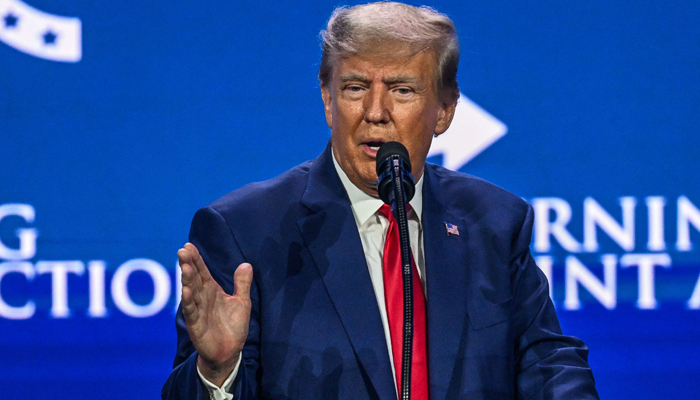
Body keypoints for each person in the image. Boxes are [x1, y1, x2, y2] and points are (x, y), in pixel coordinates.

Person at [162, 2, 599, 399]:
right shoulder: (247, 232)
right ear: (328, 100)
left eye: (402, 89)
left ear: (445, 110)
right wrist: (218, 368)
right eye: (354, 88)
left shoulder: (495, 223)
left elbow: (546, 362)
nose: (375, 111)